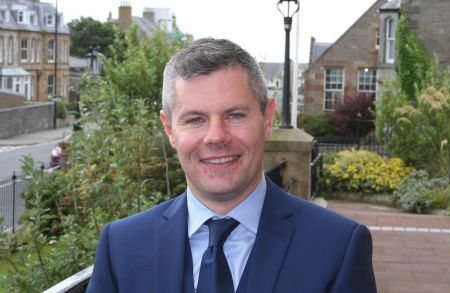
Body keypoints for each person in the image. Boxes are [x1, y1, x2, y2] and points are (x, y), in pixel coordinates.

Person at [87, 38, 376, 293]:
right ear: (169, 129)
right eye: (195, 119)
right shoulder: (121, 247)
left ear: (267, 119)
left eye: (235, 115)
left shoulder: (338, 247)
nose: (216, 136)